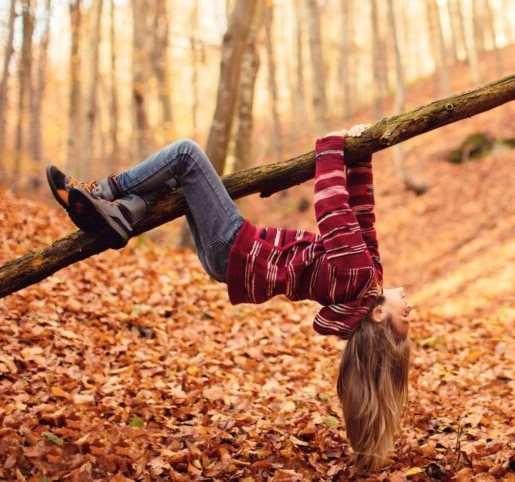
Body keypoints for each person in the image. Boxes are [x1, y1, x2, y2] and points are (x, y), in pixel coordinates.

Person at [45, 125, 411, 472]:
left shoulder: (357, 274)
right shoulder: (367, 279)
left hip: (235, 246)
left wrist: (331, 146)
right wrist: (362, 153)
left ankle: (104, 191)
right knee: (173, 178)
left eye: (404, 318)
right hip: (227, 261)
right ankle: (122, 214)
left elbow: (333, 210)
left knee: (186, 155)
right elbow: (363, 217)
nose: (410, 307)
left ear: (378, 315)